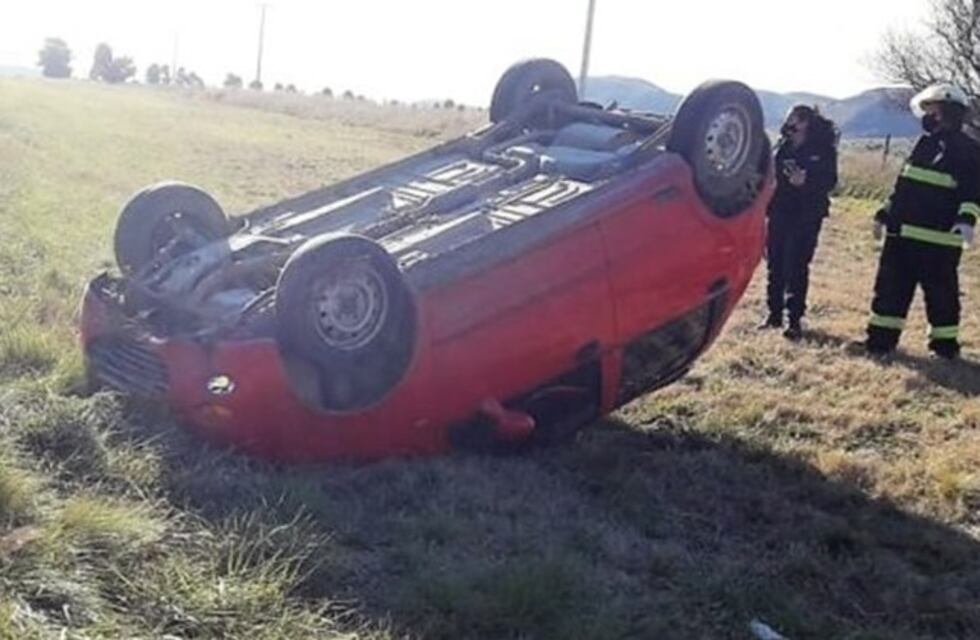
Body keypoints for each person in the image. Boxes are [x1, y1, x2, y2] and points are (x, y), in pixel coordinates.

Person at [865, 84, 980, 359]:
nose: (927, 116)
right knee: (890, 291)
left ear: (947, 112)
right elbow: (905, 186)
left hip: (938, 239)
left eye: (932, 110)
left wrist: (966, 220)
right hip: (902, 235)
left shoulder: (967, 149)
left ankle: (944, 348)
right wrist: (885, 213)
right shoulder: (924, 144)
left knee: (941, 296)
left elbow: (973, 190)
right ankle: (880, 343)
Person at [760, 105, 839, 340]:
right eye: (788, 120)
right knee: (775, 263)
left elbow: (830, 181)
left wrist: (807, 180)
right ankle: (773, 314)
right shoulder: (782, 147)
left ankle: (793, 319)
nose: (790, 125)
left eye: (794, 120)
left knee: (795, 265)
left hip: (806, 214)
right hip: (779, 211)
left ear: (806, 123)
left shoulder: (822, 149)